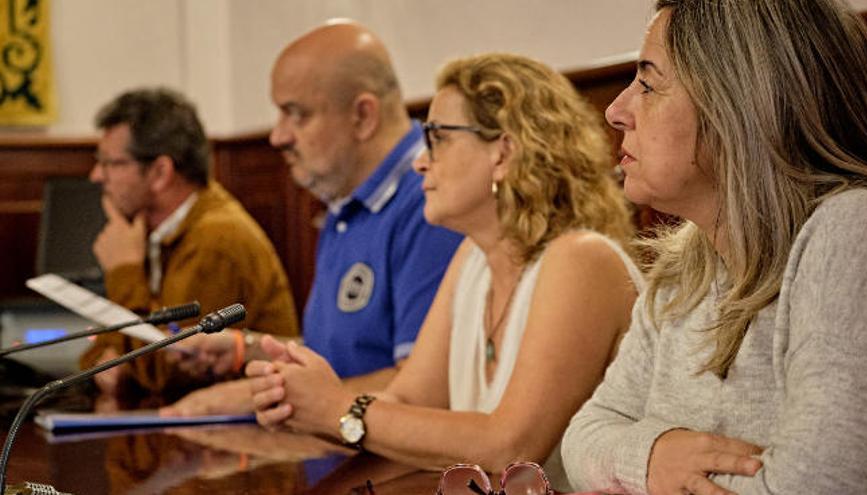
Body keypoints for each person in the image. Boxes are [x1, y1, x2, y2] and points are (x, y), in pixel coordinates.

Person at [247, 52, 642, 491]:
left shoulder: (581, 259)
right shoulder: (473, 260)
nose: (420, 161)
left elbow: (510, 446)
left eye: (437, 138)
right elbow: (407, 401)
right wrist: (301, 399)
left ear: (503, 153)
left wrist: (337, 409)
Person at [561, 1, 867, 493]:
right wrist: (652, 456)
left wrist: (642, 462)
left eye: (647, 84)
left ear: (739, 102)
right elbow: (583, 439)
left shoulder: (852, 228)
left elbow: (815, 486)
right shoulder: (684, 267)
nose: (615, 110)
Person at [169, 20, 463, 402]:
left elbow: (426, 390)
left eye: (297, 114)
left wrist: (256, 397)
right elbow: (344, 358)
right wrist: (247, 349)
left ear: (363, 116)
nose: (278, 136)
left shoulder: (430, 201)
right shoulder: (345, 200)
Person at [79, 87, 298, 405]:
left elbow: (164, 373)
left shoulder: (216, 239)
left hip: (239, 437)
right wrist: (102, 359)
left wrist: (123, 272)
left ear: (159, 172)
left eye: (111, 163)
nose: (96, 175)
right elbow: (101, 348)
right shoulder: (152, 232)